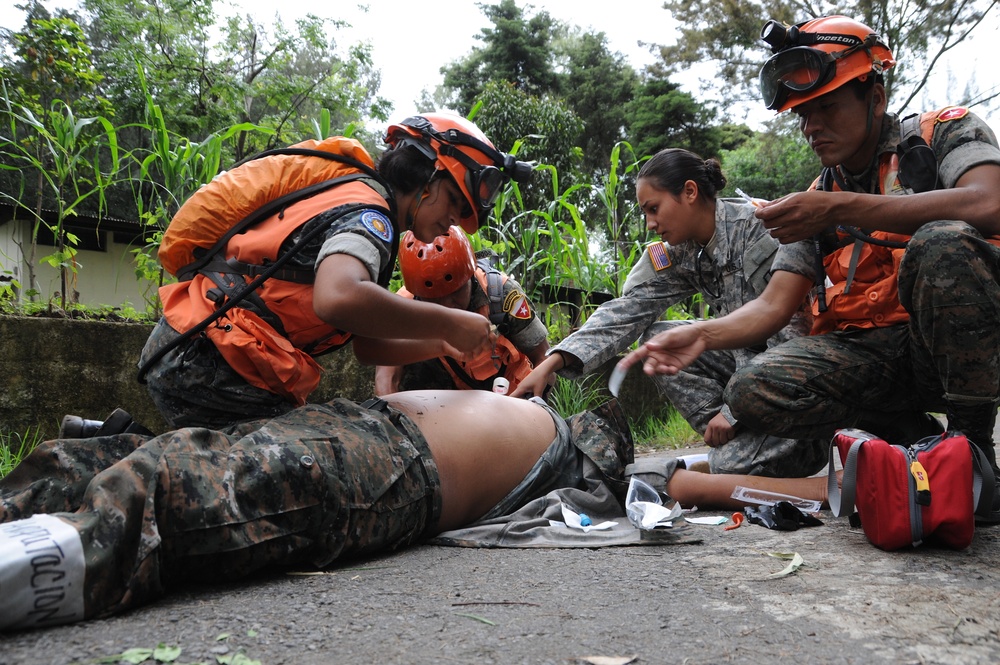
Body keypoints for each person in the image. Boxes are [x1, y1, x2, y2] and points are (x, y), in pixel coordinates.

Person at [0, 389, 833, 631]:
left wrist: (822, 490)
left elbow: (686, 485)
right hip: (359, 428)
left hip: (393, 471)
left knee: (169, 488)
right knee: (85, 459)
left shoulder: (593, 464)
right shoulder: (550, 423)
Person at [619, 16, 1000, 501]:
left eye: (827, 108)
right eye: (802, 114)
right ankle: (901, 433)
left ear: (876, 99)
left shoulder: (942, 133)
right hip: (881, 360)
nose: (811, 127)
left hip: (972, 348)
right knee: (750, 387)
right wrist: (699, 334)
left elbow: (990, 203)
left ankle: (973, 454)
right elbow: (773, 307)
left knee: (942, 243)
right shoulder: (817, 197)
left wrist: (840, 208)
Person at [124, 112, 532, 431]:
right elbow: (337, 297)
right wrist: (451, 323)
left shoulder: (361, 203)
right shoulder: (371, 217)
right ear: (429, 178)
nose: (455, 221)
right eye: (456, 204)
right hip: (214, 362)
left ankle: (114, 437)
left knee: (233, 466)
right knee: (299, 477)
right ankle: (101, 458)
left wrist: (444, 344)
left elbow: (367, 348)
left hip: (208, 353)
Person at [512, 147, 818, 476]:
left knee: (720, 470)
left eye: (653, 209)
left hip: (799, 390)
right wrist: (554, 361)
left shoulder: (759, 229)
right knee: (659, 339)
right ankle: (740, 445)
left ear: (689, 191)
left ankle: (767, 447)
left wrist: (731, 413)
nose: (649, 224)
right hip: (749, 380)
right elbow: (627, 311)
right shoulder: (684, 251)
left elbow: (791, 336)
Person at [373, 226, 549, 395]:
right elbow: (386, 379)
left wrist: (535, 403)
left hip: (511, 401)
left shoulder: (502, 294)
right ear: (417, 292)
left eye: (456, 292)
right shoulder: (403, 308)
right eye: (434, 299)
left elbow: (543, 358)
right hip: (446, 406)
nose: (447, 306)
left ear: (470, 275)